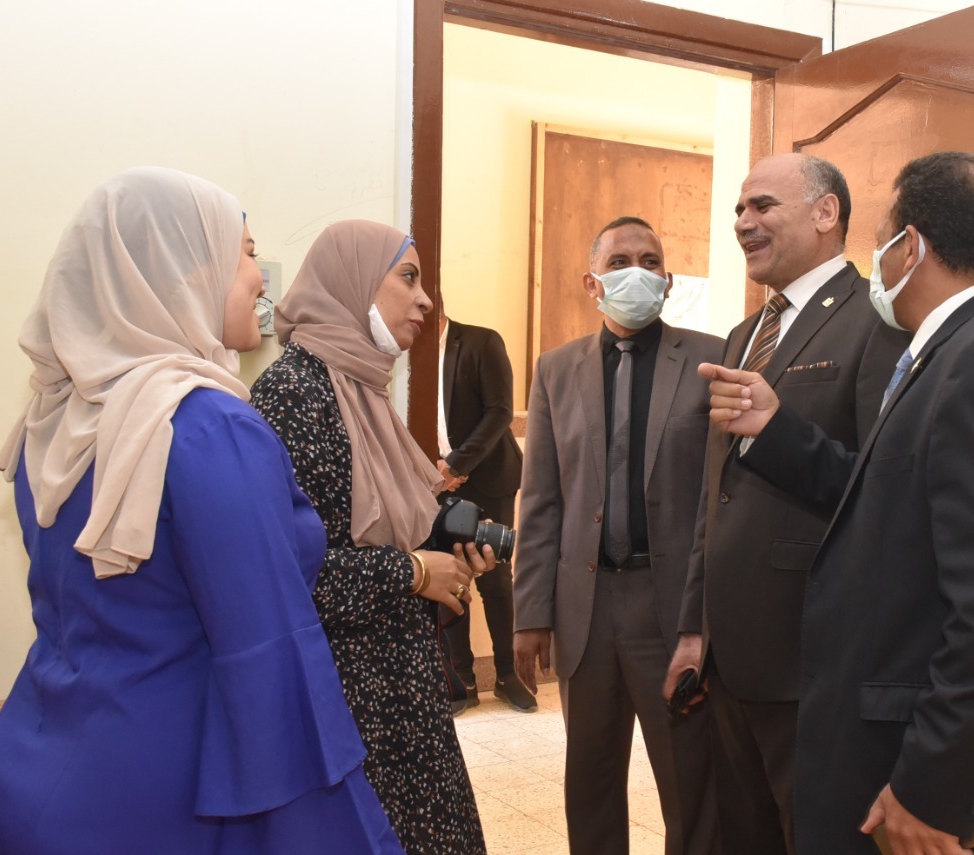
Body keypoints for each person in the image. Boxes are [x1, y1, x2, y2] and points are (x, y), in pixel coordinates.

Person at [0, 168, 403, 854]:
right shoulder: (208, 426)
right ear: (182, 273)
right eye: (244, 252)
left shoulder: (50, 425)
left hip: (29, 765)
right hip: (167, 798)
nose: (259, 277)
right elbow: (271, 659)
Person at [701, 151, 974, 854]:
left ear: (909, 246)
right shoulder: (953, 351)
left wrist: (932, 781)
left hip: (934, 769)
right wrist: (778, 431)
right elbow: (888, 504)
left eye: (881, 240)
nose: (876, 261)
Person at [664, 153, 908, 854]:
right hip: (729, 662)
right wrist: (694, 629)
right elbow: (716, 498)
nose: (743, 222)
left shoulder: (876, 322)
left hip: (812, 662)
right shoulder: (745, 336)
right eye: (739, 209)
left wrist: (779, 433)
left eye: (763, 205)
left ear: (826, 213)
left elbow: (881, 491)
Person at [249, 220, 493, 855]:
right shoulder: (294, 394)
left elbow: (385, 527)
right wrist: (414, 572)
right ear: (353, 281)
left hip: (399, 689)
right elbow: (289, 575)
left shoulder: (363, 387)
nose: (425, 300)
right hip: (346, 698)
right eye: (408, 278)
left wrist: (444, 553)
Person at [514, 217, 722, 855]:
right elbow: (542, 499)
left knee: (691, 786)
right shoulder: (556, 370)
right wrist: (530, 613)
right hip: (587, 607)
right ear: (593, 282)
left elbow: (721, 499)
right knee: (591, 785)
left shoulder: (712, 358)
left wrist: (703, 617)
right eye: (621, 261)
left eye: (650, 261)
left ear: (668, 280)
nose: (638, 271)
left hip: (672, 608)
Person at [434, 294, 535, 713]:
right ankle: (463, 680)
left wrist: (457, 465)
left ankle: (508, 675)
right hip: (436, 485)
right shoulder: (402, 355)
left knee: (494, 577)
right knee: (451, 576)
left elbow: (499, 412)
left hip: (489, 477)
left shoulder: (481, 342)